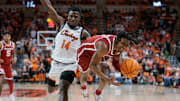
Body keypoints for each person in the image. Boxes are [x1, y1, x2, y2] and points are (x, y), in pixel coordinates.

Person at [40, 0, 90, 101]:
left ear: (79, 19)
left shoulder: (83, 33)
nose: (73, 18)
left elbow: (89, 50)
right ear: (67, 16)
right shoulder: (61, 23)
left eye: (76, 17)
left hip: (71, 65)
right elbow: (49, 8)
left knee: (63, 88)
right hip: (56, 63)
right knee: (51, 90)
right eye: (71, 16)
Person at [77, 32, 137, 101]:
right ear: (117, 40)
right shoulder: (104, 46)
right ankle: (83, 87)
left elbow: (115, 63)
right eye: (123, 44)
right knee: (85, 75)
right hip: (85, 51)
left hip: (98, 52)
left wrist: (125, 72)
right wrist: (108, 79)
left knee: (104, 72)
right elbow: (92, 65)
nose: (124, 47)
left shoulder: (119, 48)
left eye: (126, 45)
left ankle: (97, 93)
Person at [0, 32, 17, 101]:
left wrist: (15, 57)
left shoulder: (13, 44)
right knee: (1, 79)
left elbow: (13, 53)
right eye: (5, 36)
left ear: (10, 37)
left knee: (10, 80)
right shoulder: (1, 44)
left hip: (8, 64)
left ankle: (11, 94)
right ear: (3, 37)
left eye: (8, 36)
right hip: (1, 65)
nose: (7, 37)